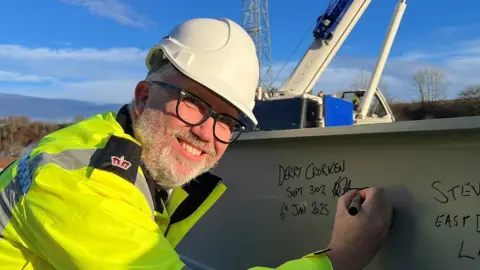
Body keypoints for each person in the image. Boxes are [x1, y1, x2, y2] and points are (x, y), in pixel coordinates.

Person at [0, 17, 392, 269]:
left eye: (227, 120)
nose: (207, 131)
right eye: (193, 103)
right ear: (142, 96)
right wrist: (337, 258)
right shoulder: (86, 180)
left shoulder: (125, 154)